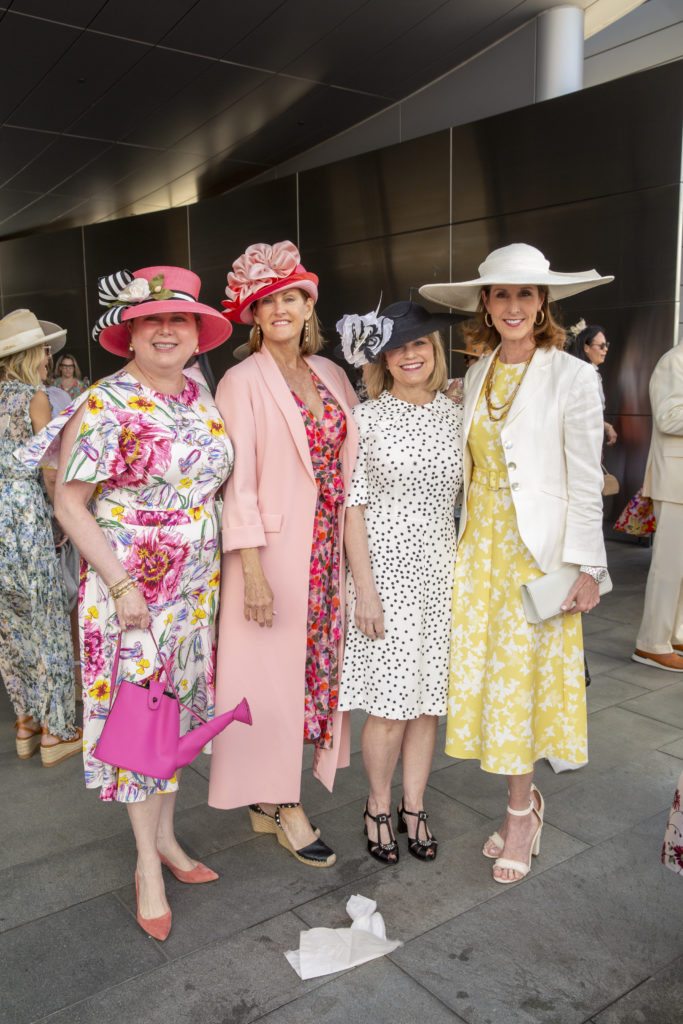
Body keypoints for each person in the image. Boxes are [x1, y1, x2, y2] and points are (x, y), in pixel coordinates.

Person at [21, 266, 234, 941]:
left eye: (179, 319)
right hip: (130, 596)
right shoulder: (107, 402)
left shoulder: (200, 397)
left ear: (197, 332)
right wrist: (118, 583)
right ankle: (147, 862)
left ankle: (168, 840)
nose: (167, 329)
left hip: (195, 595)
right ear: (130, 332)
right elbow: (69, 503)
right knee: (141, 732)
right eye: (152, 320)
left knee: (170, 724)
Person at [420, 242, 613, 884]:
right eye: (500, 294)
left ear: (544, 303)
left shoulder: (574, 376)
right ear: (485, 303)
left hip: (539, 555)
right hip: (480, 552)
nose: (512, 306)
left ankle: (520, 816)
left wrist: (586, 566)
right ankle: (521, 801)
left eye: (525, 294)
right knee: (494, 684)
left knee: (523, 682)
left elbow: (586, 479)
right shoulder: (476, 376)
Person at [209, 240, 359, 868]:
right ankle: (282, 803)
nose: (280, 308)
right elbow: (234, 484)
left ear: (308, 305)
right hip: (271, 556)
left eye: (291, 297)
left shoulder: (331, 374)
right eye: (266, 300)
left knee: (315, 680)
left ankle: (274, 796)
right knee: (270, 684)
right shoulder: (241, 382)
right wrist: (251, 573)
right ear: (252, 313)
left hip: (329, 552)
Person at [337, 300, 463, 863]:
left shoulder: (454, 416)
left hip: (441, 575)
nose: (410, 354)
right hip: (385, 576)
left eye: (420, 344)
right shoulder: (366, 417)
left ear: (434, 352)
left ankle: (416, 807)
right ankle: (378, 806)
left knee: (426, 702)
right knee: (388, 706)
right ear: (382, 358)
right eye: (398, 346)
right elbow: (352, 508)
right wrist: (364, 589)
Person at [0, 309, 80, 765]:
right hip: (26, 514)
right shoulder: (35, 398)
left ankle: (26, 723)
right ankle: (57, 733)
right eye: (44, 350)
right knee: (47, 622)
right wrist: (64, 521)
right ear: (29, 355)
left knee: (11, 627)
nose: (50, 357)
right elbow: (50, 474)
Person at [632, 334, 683, 672]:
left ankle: (675, 634)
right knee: (669, 568)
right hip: (675, 481)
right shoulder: (674, 361)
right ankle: (651, 643)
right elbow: (668, 418)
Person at [565, 319, 617, 446]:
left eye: (606, 345)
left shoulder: (590, 372)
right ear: (586, 347)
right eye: (601, 346)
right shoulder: (583, 374)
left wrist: (606, 427)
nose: (605, 350)